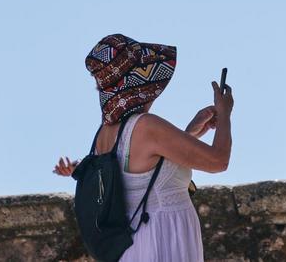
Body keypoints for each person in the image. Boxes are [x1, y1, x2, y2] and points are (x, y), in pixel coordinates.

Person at [53, 34, 234, 262]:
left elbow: (151, 171)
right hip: (164, 240)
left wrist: (191, 131)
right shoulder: (146, 127)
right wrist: (225, 113)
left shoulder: (105, 133)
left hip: (134, 247)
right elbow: (218, 161)